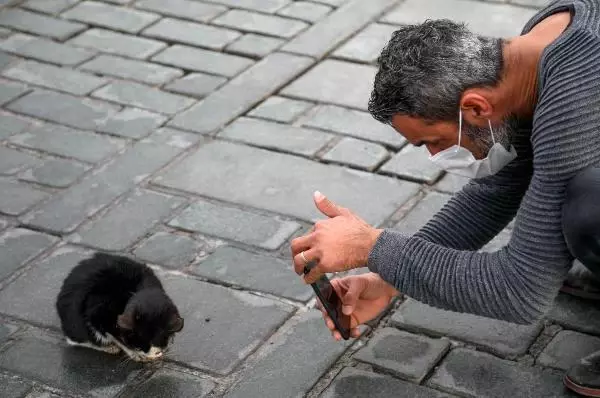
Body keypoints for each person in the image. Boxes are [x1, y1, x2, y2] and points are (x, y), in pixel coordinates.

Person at [290, 0, 600, 395]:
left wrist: (373, 246)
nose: (436, 156)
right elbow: (500, 186)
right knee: (568, 191)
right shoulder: (534, 50)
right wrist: (388, 278)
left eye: (433, 142)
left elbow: (519, 291)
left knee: (587, 207)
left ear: (474, 107)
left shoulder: (577, 89)